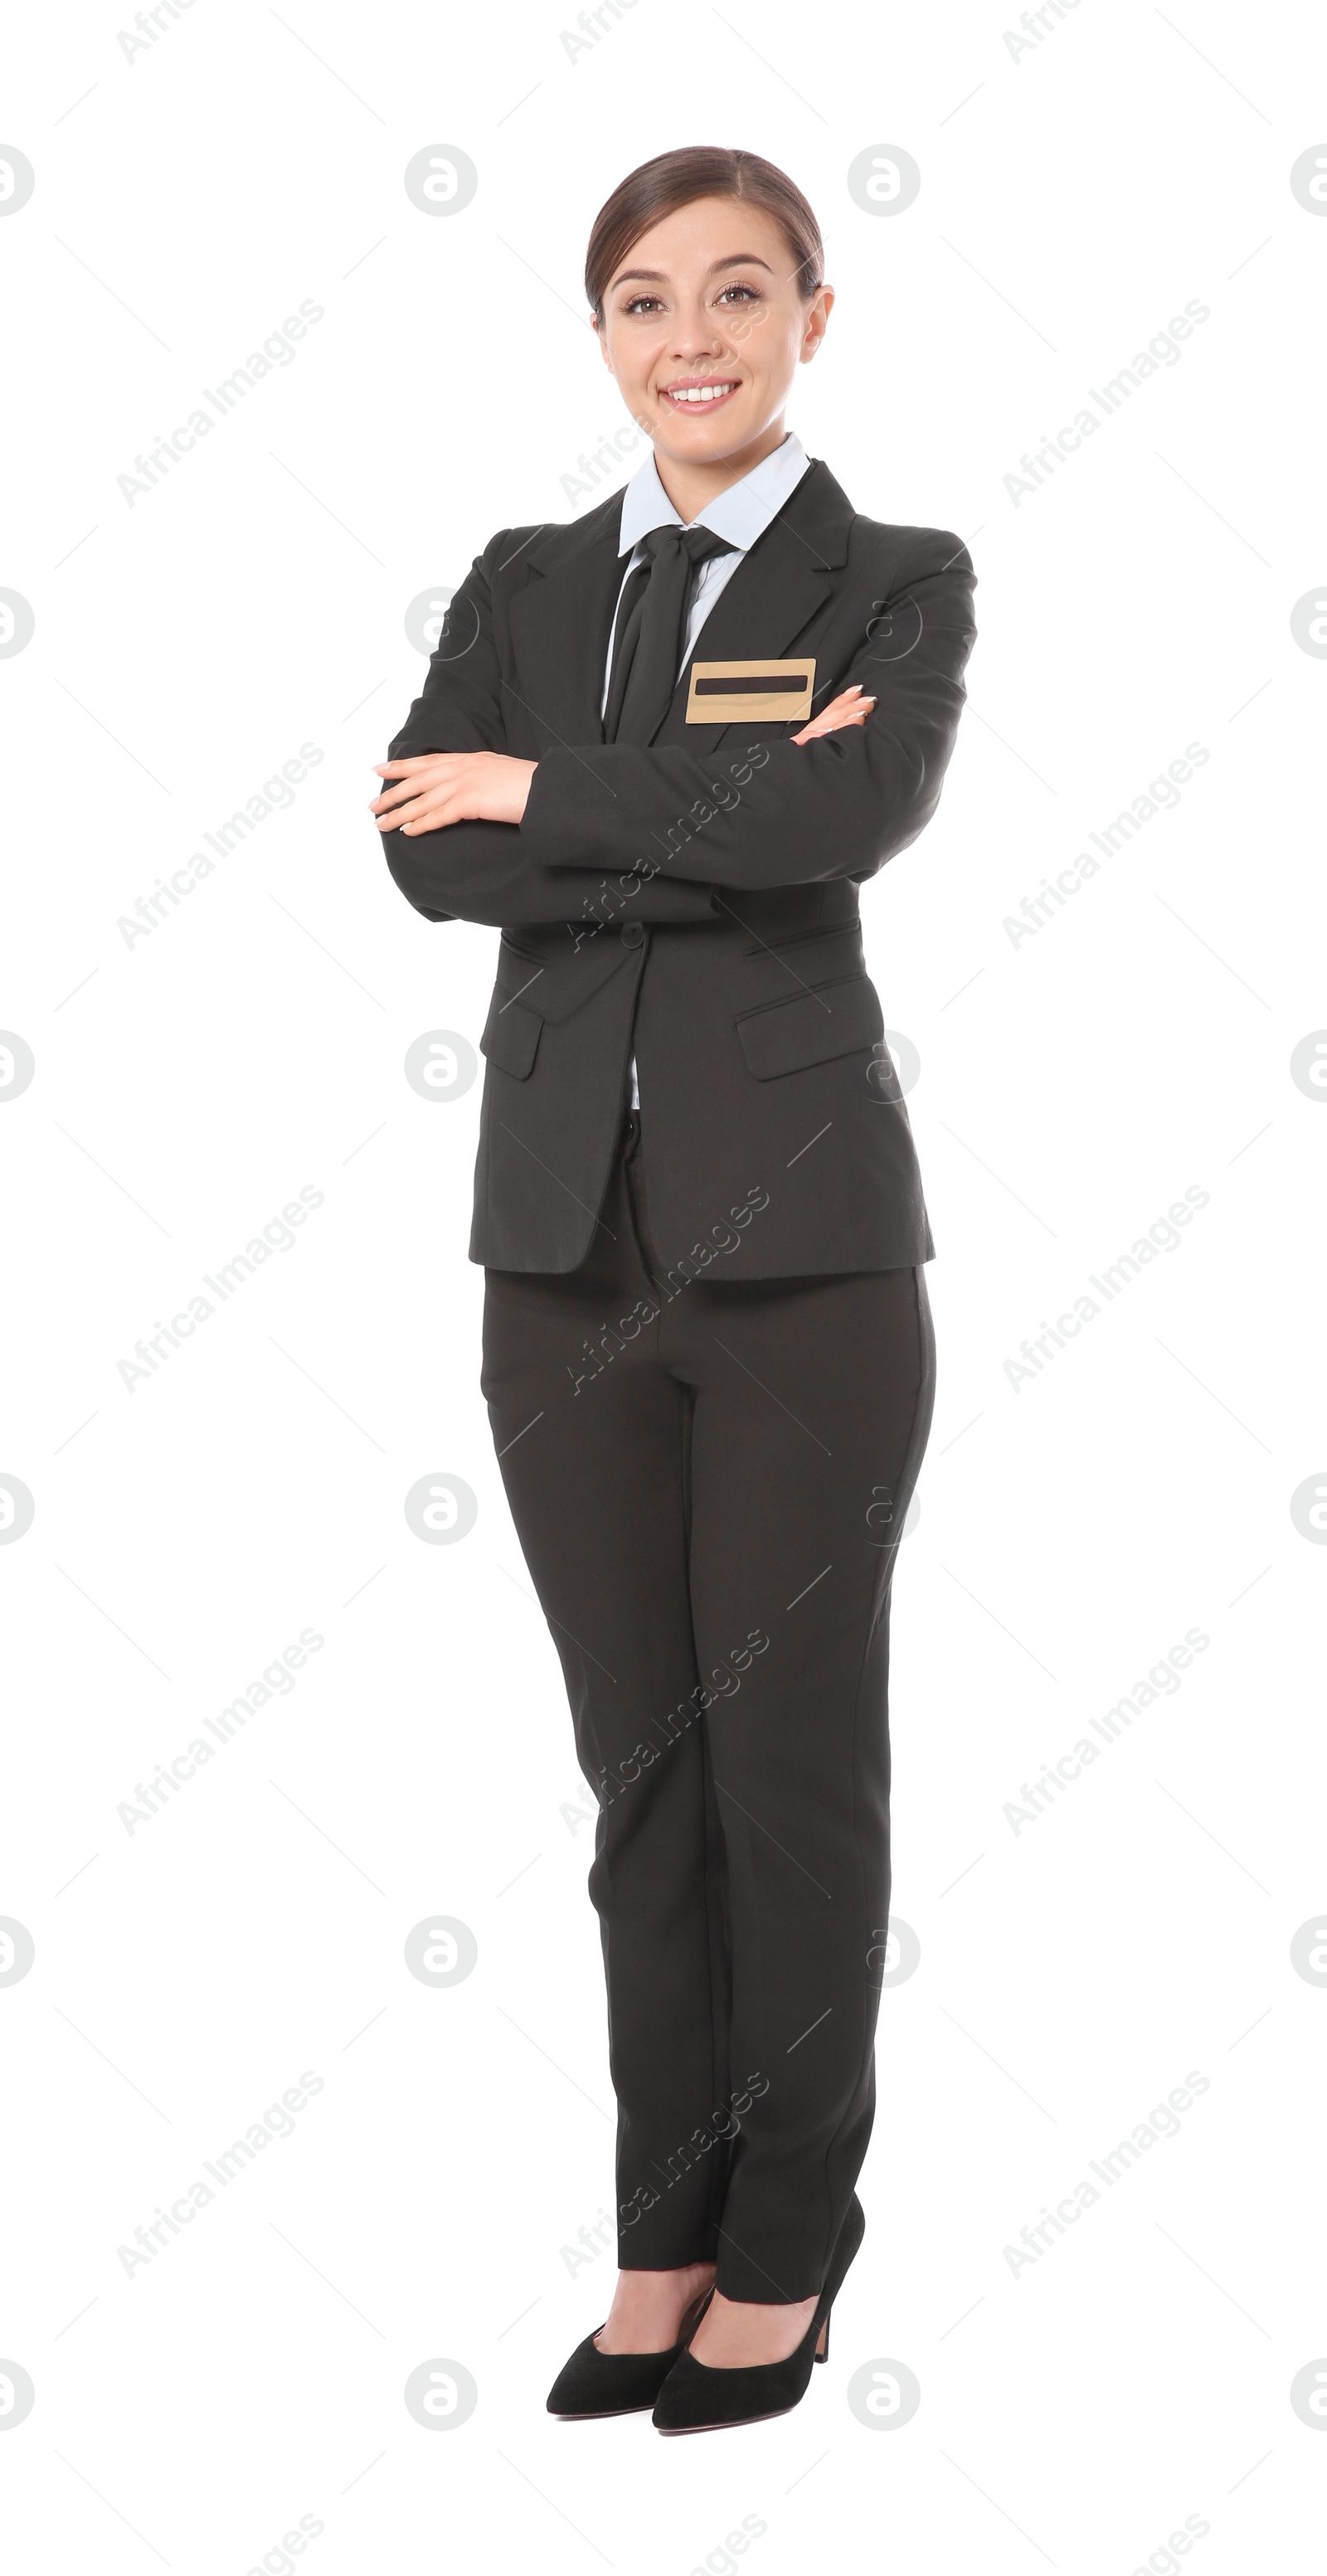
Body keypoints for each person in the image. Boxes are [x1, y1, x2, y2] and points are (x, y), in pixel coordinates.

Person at [372, 143, 976, 2434]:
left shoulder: (890, 576)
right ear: (603, 333)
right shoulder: (526, 580)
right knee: (643, 1779)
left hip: (811, 1266)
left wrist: (557, 788)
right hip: (559, 1264)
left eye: (741, 291)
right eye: (645, 299)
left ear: (819, 314)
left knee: (786, 1774)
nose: (692, 336)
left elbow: (842, 821)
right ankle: (664, 2231)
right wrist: (672, 778)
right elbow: (437, 853)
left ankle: (789, 2261)